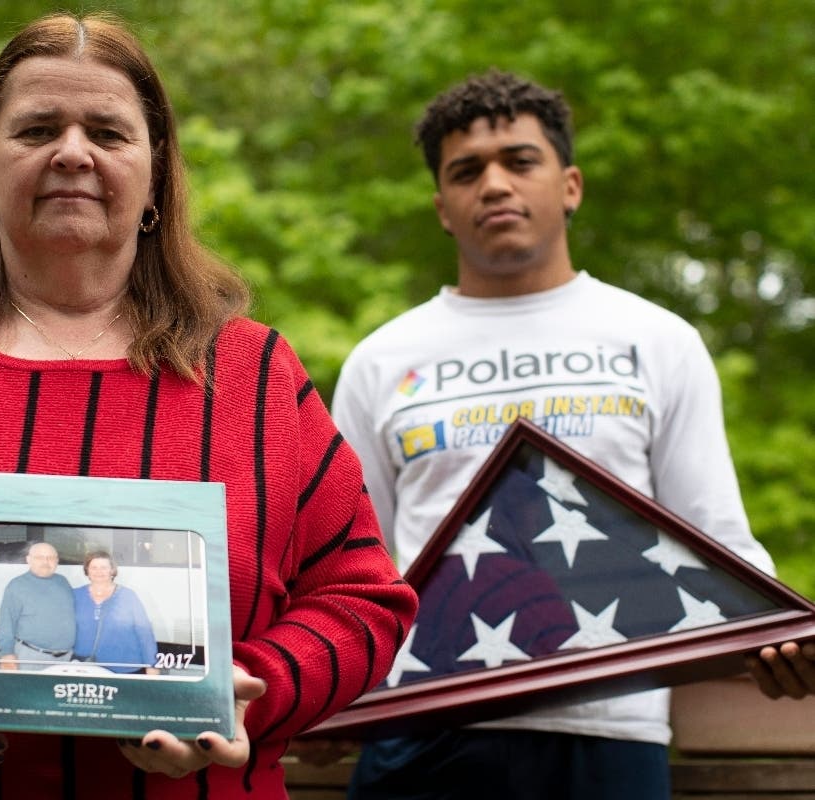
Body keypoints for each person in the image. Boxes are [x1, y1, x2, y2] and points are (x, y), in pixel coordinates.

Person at [0, 12, 417, 799]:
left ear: (156, 173)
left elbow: (361, 601)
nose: (72, 152)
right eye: (36, 129)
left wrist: (248, 690)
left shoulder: (254, 375)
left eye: (107, 130)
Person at [331, 69, 775, 800]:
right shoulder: (382, 358)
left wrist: (777, 636)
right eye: (467, 171)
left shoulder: (656, 340)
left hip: (609, 731)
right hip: (417, 728)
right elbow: (353, 563)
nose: (495, 184)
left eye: (520, 160)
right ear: (442, 207)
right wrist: (330, 697)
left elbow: (716, 537)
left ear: (569, 184)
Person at [72, 550, 159, 674]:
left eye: (104, 567)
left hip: (124, 667)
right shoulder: (76, 595)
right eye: (94, 567)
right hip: (85, 667)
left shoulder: (128, 596)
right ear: (87, 571)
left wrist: (152, 666)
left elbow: (145, 633)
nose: (99, 571)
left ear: (112, 571)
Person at [0, 542, 76, 670]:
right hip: (31, 657)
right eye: (39, 557)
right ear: (28, 560)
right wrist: (7, 653)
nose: (46, 562)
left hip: (65, 659)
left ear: (57, 561)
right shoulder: (17, 585)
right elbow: (7, 622)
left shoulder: (63, 581)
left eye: (50, 558)